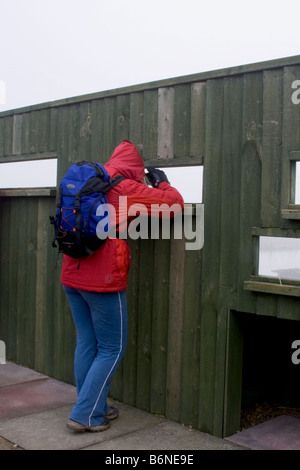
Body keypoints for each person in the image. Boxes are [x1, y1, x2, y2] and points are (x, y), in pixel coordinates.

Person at [62, 140, 184, 432]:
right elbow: (174, 205)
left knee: (87, 342)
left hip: (71, 273)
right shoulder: (126, 187)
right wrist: (163, 183)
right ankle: (85, 415)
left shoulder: (90, 181)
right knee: (111, 348)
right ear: (136, 169)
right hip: (103, 281)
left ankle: (96, 406)